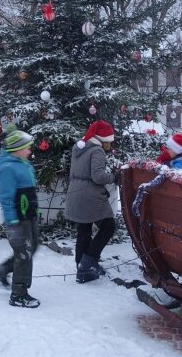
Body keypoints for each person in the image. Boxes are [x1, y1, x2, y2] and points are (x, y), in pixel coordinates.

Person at [0, 125, 40, 308]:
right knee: (24, 253)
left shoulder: (22, 163)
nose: (29, 150)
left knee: (33, 247)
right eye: (26, 147)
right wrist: (12, 221)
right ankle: (18, 294)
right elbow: (6, 196)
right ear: (16, 149)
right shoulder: (8, 167)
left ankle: (3, 270)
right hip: (18, 218)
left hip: (29, 214)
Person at [64, 120, 118, 284]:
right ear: (103, 139)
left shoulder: (79, 147)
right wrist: (115, 177)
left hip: (75, 193)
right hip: (90, 196)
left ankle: (82, 267)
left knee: (84, 230)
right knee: (108, 227)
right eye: (109, 141)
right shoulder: (97, 151)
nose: (110, 145)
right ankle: (89, 263)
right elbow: (98, 176)